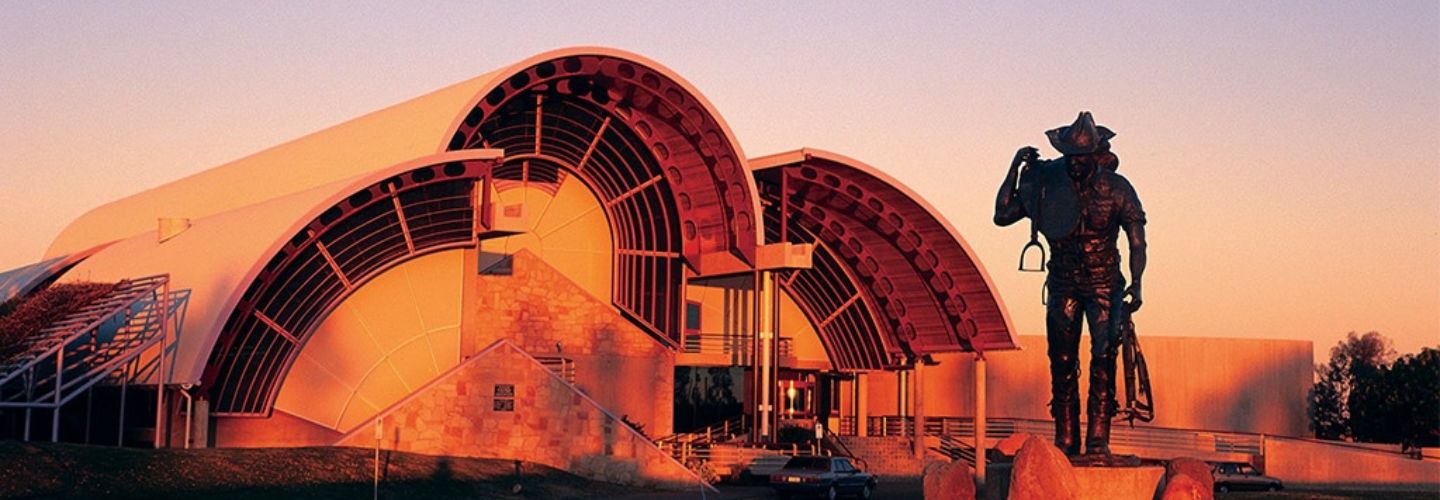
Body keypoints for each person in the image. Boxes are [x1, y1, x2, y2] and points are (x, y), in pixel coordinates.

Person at [993, 112, 1147, 455]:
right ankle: (1065, 438)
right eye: (1071, 157)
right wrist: (1015, 168)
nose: (1076, 164)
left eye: (1082, 157)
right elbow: (1002, 215)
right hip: (1063, 281)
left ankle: (1097, 439)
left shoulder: (1117, 189)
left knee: (1103, 359)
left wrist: (1136, 284)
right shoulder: (1047, 184)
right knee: (1061, 360)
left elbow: (1137, 240)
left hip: (1105, 282)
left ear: (1095, 154)